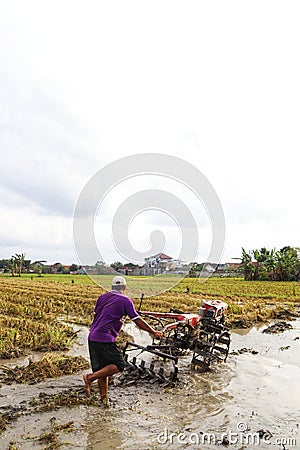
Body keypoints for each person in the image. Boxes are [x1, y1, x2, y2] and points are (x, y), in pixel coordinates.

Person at [83, 275, 163, 406]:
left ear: (112, 287)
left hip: (92, 337)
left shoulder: (102, 297)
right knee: (120, 365)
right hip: (105, 338)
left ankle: (104, 402)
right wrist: (153, 332)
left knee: (102, 371)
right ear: (124, 287)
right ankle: (89, 378)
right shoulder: (125, 300)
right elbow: (137, 320)